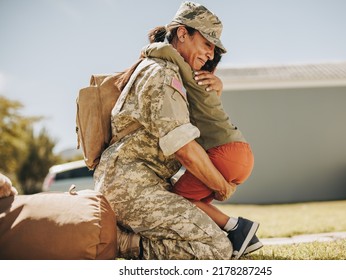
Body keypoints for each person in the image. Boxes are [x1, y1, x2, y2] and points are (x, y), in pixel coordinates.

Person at [94, 1, 253, 260]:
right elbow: (185, 149)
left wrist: (215, 90)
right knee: (217, 248)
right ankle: (121, 242)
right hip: (131, 189)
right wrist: (221, 187)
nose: (210, 55)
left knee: (218, 237)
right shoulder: (162, 74)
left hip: (146, 185)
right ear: (182, 34)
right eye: (207, 44)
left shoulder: (169, 72)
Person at [143, 29, 262, 258]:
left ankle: (238, 228)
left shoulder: (194, 77)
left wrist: (149, 49)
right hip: (241, 154)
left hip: (224, 152)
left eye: (209, 53)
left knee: (178, 200)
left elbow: (168, 51)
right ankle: (238, 237)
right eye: (205, 47)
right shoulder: (207, 86)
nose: (206, 56)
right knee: (196, 202)